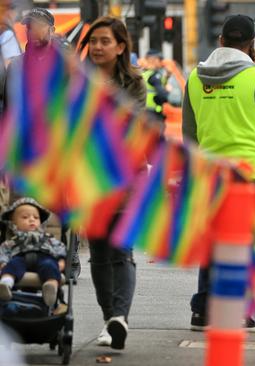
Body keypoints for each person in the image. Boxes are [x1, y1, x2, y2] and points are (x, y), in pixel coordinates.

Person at [182, 14, 255, 331]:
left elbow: (189, 133)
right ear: (251, 45)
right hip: (247, 173)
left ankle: (203, 309)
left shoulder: (194, 78)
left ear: (220, 41)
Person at [79, 16, 146, 350]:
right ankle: (111, 320)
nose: (97, 47)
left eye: (104, 41)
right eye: (93, 41)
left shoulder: (133, 83)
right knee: (99, 255)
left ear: (120, 47)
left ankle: (120, 316)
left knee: (121, 251)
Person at [0, 198, 66, 307]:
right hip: (20, 257)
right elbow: (4, 250)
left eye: (36, 217)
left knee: (50, 266)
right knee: (12, 265)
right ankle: (5, 285)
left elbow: (59, 247)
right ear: (14, 223)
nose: (32, 220)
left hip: (44, 257)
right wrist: (3, 262)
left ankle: (50, 288)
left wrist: (61, 260)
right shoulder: (14, 240)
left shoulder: (47, 238)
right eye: (25, 217)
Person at [142, 49, 169, 122]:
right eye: (160, 59)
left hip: (144, 113)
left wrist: (167, 77)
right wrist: (168, 92)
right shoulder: (155, 75)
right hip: (154, 115)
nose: (161, 62)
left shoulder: (144, 74)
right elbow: (163, 95)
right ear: (152, 60)